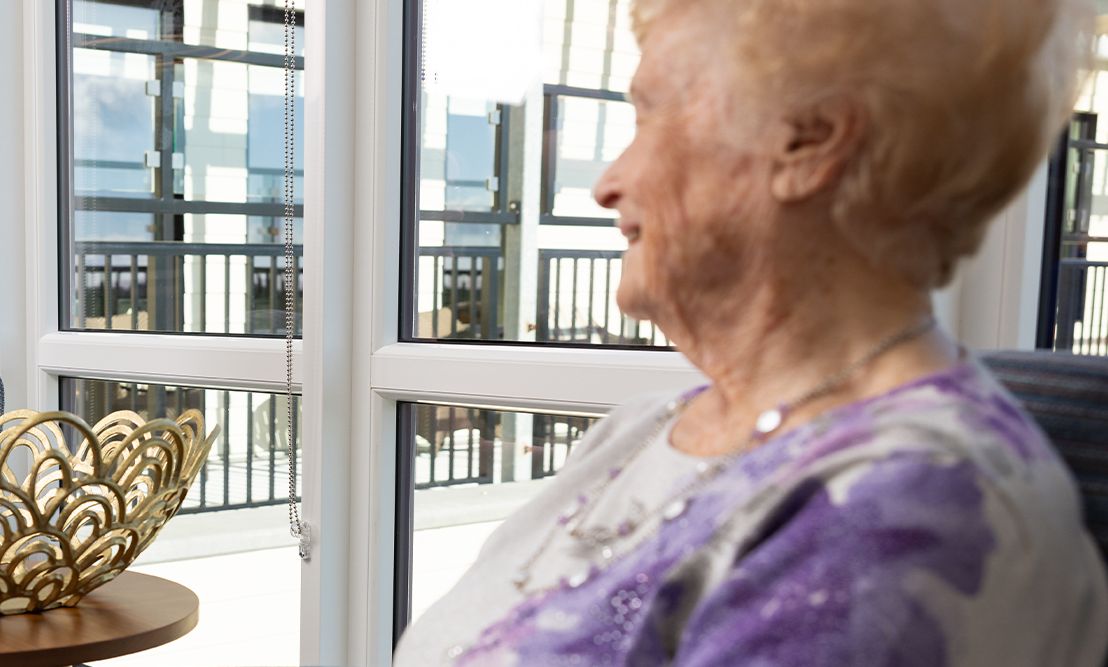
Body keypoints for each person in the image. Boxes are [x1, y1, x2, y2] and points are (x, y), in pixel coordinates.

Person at [397, 0, 1108, 665]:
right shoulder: (641, 429)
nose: (607, 182)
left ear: (809, 141)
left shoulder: (905, 507)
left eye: (649, 114)